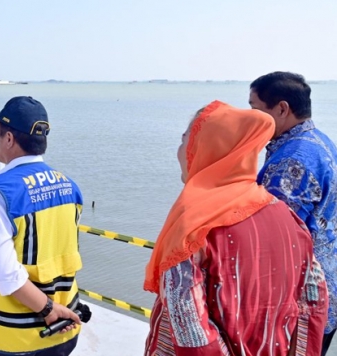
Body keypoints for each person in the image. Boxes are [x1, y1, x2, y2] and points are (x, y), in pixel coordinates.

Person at [144, 100, 328, 355]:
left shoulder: (194, 225)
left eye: (186, 140)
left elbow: (190, 326)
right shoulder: (286, 216)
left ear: (207, 149)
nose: (179, 151)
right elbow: (313, 301)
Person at [0, 96, 84, 356]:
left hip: (13, 334)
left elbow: (6, 272)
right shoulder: (69, 186)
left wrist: (47, 309)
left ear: (9, 138)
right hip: (64, 326)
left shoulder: (0, 193)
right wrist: (56, 309)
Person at [249, 72, 337, 356]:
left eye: (255, 109)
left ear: (282, 109)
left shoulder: (292, 162)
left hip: (302, 296)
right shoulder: (319, 142)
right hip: (328, 282)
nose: (250, 119)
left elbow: (275, 239)